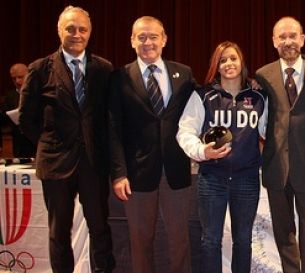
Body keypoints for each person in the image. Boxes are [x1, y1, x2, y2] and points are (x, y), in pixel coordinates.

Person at [18, 6, 115, 273]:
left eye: (82, 29)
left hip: (94, 163)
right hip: (55, 163)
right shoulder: (39, 69)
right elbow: (27, 119)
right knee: (59, 232)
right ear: (59, 30)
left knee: (100, 227)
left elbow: (109, 116)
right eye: (70, 28)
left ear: (90, 33)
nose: (76, 34)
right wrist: (52, 143)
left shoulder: (104, 69)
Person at [108, 16, 196, 273]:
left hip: (176, 171)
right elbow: (112, 130)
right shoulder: (119, 77)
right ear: (132, 41)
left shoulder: (184, 73)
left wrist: (248, 85)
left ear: (164, 40)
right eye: (142, 37)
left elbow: (202, 106)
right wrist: (119, 173)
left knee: (180, 240)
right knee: (140, 241)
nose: (148, 42)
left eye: (153, 36)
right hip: (136, 174)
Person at [177, 41, 267, 273]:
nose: (229, 64)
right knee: (210, 241)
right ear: (216, 66)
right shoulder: (203, 95)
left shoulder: (257, 98)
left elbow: (269, 131)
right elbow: (184, 131)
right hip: (212, 178)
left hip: (246, 179)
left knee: (243, 241)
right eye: (223, 60)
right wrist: (202, 151)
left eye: (233, 58)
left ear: (242, 62)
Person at [255, 16, 305, 273]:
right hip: (276, 167)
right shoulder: (262, 76)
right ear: (274, 41)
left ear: (302, 39)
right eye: (282, 37)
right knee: (283, 232)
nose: (288, 41)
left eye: (293, 36)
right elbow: (261, 121)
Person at [0, 63, 36, 158]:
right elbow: (3, 120)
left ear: (29, 75)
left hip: (37, 141)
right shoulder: (10, 97)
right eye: (13, 78)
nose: (17, 81)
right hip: (19, 143)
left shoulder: (38, 92)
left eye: (20, 77)